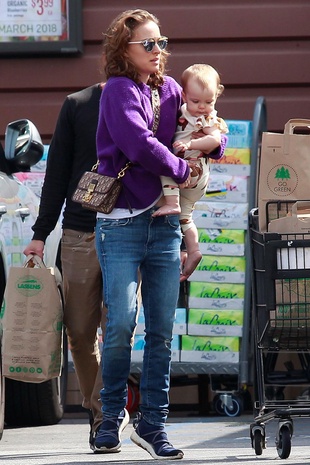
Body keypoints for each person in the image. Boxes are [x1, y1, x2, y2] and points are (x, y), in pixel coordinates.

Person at [93, 9, 227, 460]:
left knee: (163, 331)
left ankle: (153, 423)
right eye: (147, 44)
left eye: (160, 42)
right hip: (122, 225)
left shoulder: (170, 88)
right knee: (120, 325)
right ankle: (111, 416)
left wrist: (214, 141)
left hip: (167, 225)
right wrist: (181, 167)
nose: (158, 51)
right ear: (123, 50)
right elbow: (136, 143)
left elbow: (205, 122)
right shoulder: (117, 90)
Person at [23, 83, 105, 451]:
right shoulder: (78, 104)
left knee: (121, 327)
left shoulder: (158, 99)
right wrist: (40, 234)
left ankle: (106, 414)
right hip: (79, 233)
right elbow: (56, 174)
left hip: (135, 233)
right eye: (146, 45)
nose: (156, 53)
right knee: (79, 332)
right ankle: (101, 406)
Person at [153, 64, 229, 281]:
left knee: (166, 166)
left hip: (193, 169)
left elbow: (215, 140)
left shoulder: (205, 118)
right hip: (195, 181)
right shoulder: (184, 110)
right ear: (184, 95)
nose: (202, 107)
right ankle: (194, 249)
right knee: (186, 217)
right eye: (196, 101)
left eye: (209, 102)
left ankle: (171, 202)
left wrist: (191, 145)